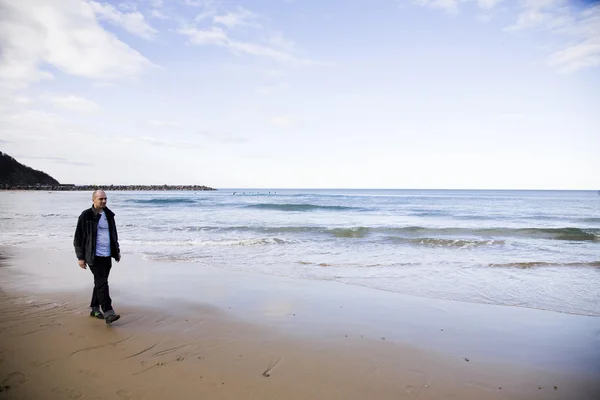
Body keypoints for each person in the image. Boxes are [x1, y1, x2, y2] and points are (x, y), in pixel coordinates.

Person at [74, 189, 121, 324]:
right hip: (93, 255)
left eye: (105, 198)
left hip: (107, 255)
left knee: (100, 282)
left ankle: (95, 308)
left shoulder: (109, 215)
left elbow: (114, 234)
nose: (104, 201)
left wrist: (116, 251)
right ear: (93, 200)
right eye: (100, 199)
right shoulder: (86, 215)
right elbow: (78, 238)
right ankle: (108, 312)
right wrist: (80, 257)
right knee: (102, 283)